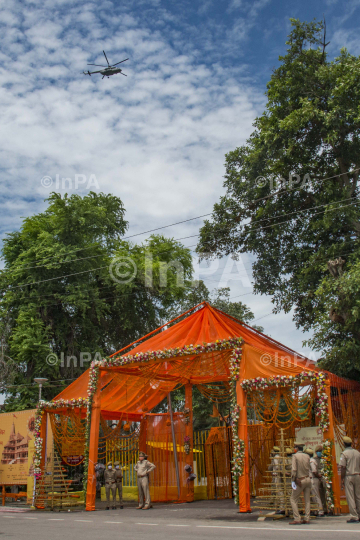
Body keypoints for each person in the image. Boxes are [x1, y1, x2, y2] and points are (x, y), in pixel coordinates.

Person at [289, 442, 311, 525]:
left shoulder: (295, 456)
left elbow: (294, 470)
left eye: (295, 447)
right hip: (308, 479)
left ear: (297, 448)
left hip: (300, 480)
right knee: (307, 500)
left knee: (293, 499)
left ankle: (297, 518)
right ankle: (307, 518)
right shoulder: (307, 456)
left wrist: (293, 480)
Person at [340, 436, 360, 523]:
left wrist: (342, 479)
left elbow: (343, 467)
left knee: (350, 497)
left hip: (349, 476)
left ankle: (354, 516)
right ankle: (359, 514)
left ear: (344, 444)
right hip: (357, 475)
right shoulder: (357, 453)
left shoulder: (344, 453)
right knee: (358, 496)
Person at [310, 445, 326, 517]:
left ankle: (324, 509)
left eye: (321, 451)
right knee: (317, 494)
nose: (320, 452)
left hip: (323, 477)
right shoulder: (314, 459)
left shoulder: (324, 459)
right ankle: (319, 509)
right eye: (318, 451)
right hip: (317, 477)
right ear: (316, 452)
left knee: (324, 494)